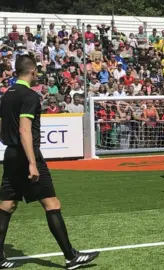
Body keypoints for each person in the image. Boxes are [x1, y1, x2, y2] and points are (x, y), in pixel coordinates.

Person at [0, 55, 99, 269]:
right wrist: (32, 163)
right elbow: (24, 129)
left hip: (10, 154)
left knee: (7, 205)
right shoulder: (30, 96)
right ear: (33, 71)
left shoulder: (7, 95)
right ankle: (71, 256)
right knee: (51, 203)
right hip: (27, 155)